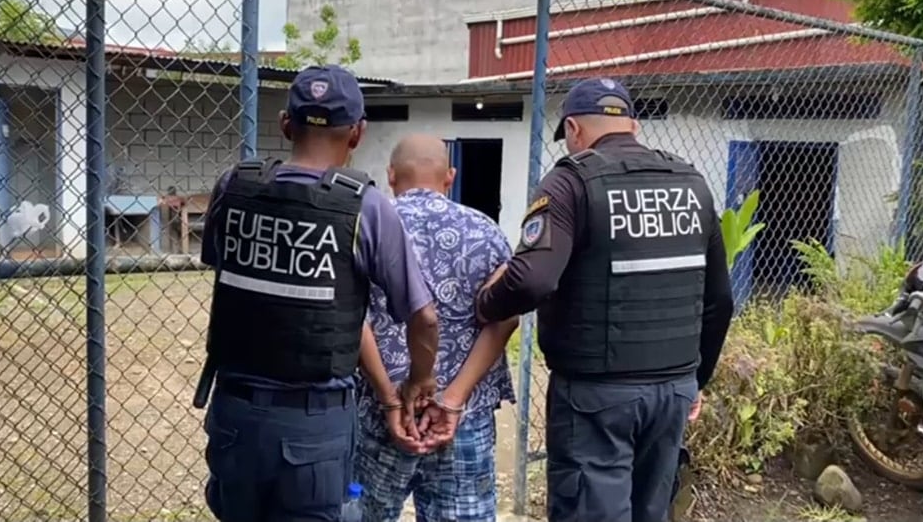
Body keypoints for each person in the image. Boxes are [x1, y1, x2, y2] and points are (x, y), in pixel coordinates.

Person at [475, 77, 735, 522]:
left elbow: (531, 280)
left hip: (596, 397)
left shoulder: (570, 182)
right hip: (672, 390)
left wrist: (485, 302)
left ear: (573, 129)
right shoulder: (691, 183)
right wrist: (696, 380)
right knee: (651, 511)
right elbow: (720, 301)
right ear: (633, 125)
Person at [198, 64, 440, 522]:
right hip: (314, 427)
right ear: (357, 134)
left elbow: (225, 268)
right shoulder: (366, 207)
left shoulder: (233, 185)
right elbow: (424, 318)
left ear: (285, 124)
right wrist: (419, 380)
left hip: (235, 416)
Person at [355, 134, 519, 522]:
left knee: (361, 513)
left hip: (382, 412)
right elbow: (506, 318)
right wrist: (453, 399)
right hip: (463, 416)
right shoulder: (485, 231)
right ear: (450, 176)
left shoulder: (365, 228)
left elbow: (352, 319)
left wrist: (389, 398)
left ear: (390, 175)